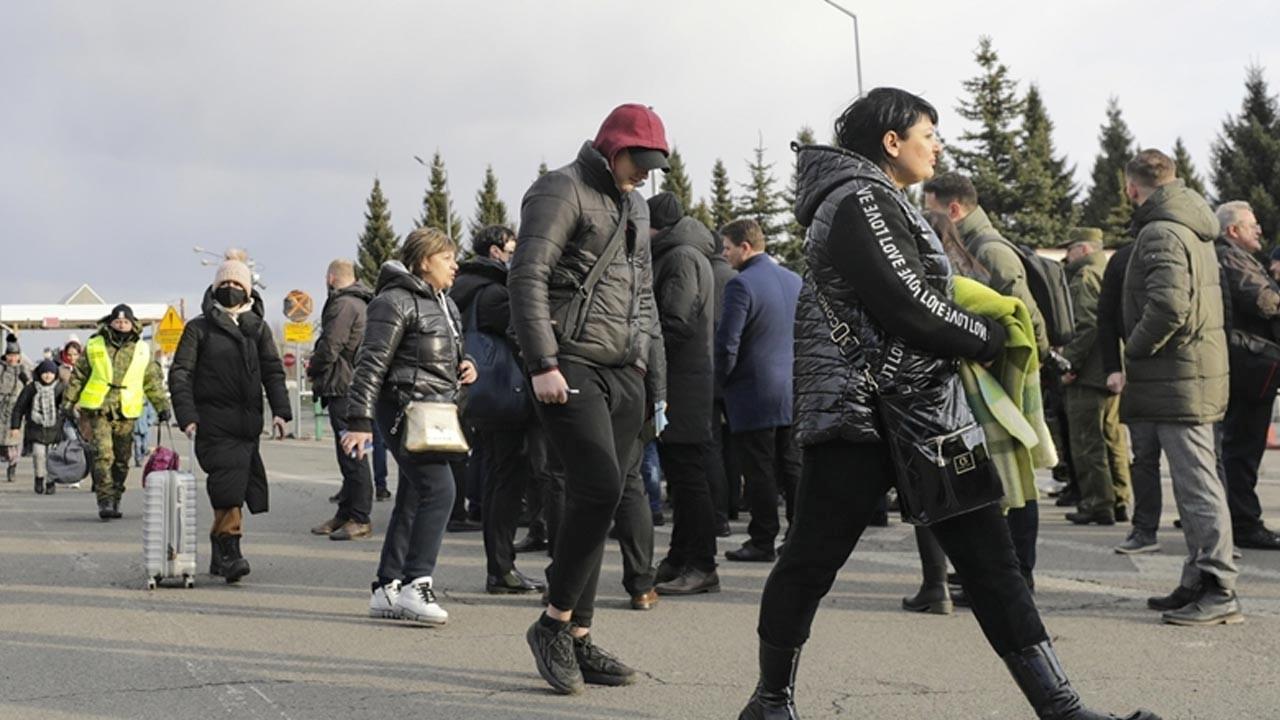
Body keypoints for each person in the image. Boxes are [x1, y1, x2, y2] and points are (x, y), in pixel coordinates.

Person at [739, 87, 1158, 720]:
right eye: (927, 134)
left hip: (922, 415)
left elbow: (916, 295)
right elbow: (908, 302)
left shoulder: (877, 199)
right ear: (891, 142)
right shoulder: (858, 198)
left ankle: (1063, 708)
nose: (937, 146)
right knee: (810, 561)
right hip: (862, 416)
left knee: (992, 564)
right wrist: (987, 338)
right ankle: (770, 702)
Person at [509, 102, 668, 695]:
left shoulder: (636, 204)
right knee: (598, 487)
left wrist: (647, 370)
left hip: (624, 370)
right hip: (570, 361)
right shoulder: (561, 189)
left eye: (653, 165)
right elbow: (527, 274)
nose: (644, 174)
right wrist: (543, 362)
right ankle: (553, 623)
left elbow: (643, 294)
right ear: (612, 147)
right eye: (638, 161)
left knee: (602, 499)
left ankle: (578, 633)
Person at [1114, 149, 1239, 627]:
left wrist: (1134, 349)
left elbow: (1168, 307)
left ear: (1132, 187)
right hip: (1189, 373)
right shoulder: (1189, 225)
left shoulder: (1161, 231)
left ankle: (1218, 586)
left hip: (1179, 377)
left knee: (1197, 485)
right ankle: (1197, 579)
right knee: (1195, 483)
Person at [343, 228, 477, 626]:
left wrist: (466, 365)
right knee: (441, 490)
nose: (455, 265)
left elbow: (444, 355)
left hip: (436, 411)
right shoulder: (393, 301)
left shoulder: (445, 304)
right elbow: (371, 363)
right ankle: (416, 584)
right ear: (423, 261)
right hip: (404, 409)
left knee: (415, 495)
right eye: (447, 257)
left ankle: (387, 586)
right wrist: (359, 421)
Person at [168, 253, 291, 583]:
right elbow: (180, 374)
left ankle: (219, 548)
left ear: (248, 290)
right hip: (212, 421)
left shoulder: (258, 329)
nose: (231, 288)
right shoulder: (198, 328)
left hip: (247, 425)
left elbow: (273, 372)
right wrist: (187, 415)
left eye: (237, 283)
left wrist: (281, 412)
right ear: (214, 287)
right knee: (228, 483)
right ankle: (230, 550)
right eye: (225, 282)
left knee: (236, 484)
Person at [450, 224, 546, 594]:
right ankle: (501, 569)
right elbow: (526, 333)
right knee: (507, 483)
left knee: (495, 479)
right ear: (495, 252)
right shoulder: (493, 293)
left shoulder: (468, 289)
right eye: (511, 249)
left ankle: (500, 567)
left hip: (485, 400)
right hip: (508, 400)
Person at [647, 191, 721, 596]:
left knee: (689, 478)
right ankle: (679, 558)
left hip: (682, 382)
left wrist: (644, 358)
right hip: (686, 380)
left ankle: (702, 564)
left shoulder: (680, 258)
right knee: (683, 475)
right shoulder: (685, 254)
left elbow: (674, 322)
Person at [717, 217, 802, 563]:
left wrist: (721, 382)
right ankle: (798, 537)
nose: (724, 255)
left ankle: (762, 540)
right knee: (792, 467)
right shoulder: (794, 280)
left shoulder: (741, 285)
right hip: (791, 389)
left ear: (745, 247)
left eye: (727, 248)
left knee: (759, 471)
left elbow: (727, 343)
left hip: (753, 392)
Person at [1213, 200, 1280, 550]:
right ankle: (1243, 523)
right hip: (1248, 368)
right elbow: (1263, 302)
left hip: (1251, 366)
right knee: (1242, 447)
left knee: (1240, 446)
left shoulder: (1237, 258)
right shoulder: (1230, 258)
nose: (1259, 230)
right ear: (1232, 230)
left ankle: (1234, 518)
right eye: (1251, 225)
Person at [64, 305, 171, 520]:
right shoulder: (95, 344)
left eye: (125, 322)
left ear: (132, 324)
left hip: (126, 410)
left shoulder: (141, 349)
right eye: (117, 321)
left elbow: (152, 381)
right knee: (103, 455)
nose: (121, 325)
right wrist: (68, 403)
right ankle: (104, 500)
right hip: (99, 408)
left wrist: (162, 406)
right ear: (110, 322)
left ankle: (116, 496)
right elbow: (79, 375)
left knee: (122, 460)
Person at [1061, 228, 1132, 525]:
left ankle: (1097, 503)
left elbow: (1087, 324)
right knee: (1112, 438)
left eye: (1070, 250)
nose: (1067, 256)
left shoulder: (1085, 276)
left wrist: (1069, 363)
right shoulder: (1109, 270)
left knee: (1087, 440)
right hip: (1111, 368)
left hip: (1089, 372)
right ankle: (1119, 498)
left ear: (1084, 250)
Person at [308, 258, 377, 542]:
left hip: (344, 387)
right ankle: (346, 513)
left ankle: (359, 517)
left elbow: (330, 346)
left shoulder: (344, 305)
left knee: (354, 455)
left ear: (331, 278)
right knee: (348, 454)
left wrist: (313, 368)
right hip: (350, 385)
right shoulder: (359, 302)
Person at [8, 359, 64, 494]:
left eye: (51, 373)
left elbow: (68, 406)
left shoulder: (60, 388)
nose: (48, 375)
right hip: (35, 429)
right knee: (38, 455)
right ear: (39, 373)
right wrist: (15, 426)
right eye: (45, 372)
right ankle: (39, 478)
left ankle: (50, 482)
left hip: (54, 430)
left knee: (52, 457)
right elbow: (19, 408)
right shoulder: (31, 388)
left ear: (55, 374)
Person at [1, 335, 30, 485]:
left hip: (17, 409)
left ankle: (12, 466)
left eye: (15, 355)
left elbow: (30, 388)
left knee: (15, 442)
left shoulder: (23, 370)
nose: (12, 358)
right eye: (9, 355)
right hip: (1, 407)